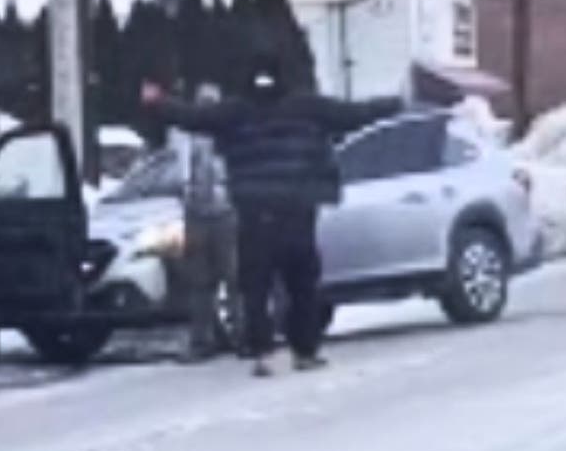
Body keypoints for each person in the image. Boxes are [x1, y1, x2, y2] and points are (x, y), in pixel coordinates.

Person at [143, 67, 401, 377]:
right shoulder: (308, 107)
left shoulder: (235, 112)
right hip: (298, 208)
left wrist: (158, 102)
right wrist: (396, 103)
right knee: (302, 283)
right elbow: (355, 113)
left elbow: (193, 118)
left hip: (255, 212)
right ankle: (305, 350)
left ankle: (266, 352)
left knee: (256, 286)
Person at [173, 82, 241, 362]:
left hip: (225, 213)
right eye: (203, 103)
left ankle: (242, 335)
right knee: (199, 281)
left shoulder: (231, 133)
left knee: (234, 277)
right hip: (197, 214)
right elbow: (180, 174)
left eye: (211, 103)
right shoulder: (185, 135)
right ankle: (201, 340)